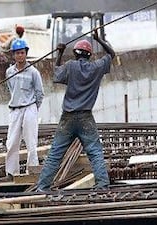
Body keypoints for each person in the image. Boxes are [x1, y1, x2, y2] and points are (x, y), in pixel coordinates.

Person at [36, 30, 115, 191]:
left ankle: (43, 187)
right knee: (95, 152)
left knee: (55, 153)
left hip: (68, 118)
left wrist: (59, 53)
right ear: (89, 55)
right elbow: (111, 54)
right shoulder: (97, 68)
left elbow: (57, 74)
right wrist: (98, 39)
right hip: (85, 117)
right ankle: (102, 184)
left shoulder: (70, 66)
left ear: (75, 53)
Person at [0, 39, 44, 182]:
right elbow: (11, 89)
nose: (20, 56)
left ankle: (32, 171)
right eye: (17, 53)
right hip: (15, 109)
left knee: (31, 142)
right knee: (12, 142)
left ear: (26, 54)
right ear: (13, 55)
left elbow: (39, 93)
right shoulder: (9, 72)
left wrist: (33, 109)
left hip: (29, 108)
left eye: (22, 53)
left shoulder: (33, 72)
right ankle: (11, 173)